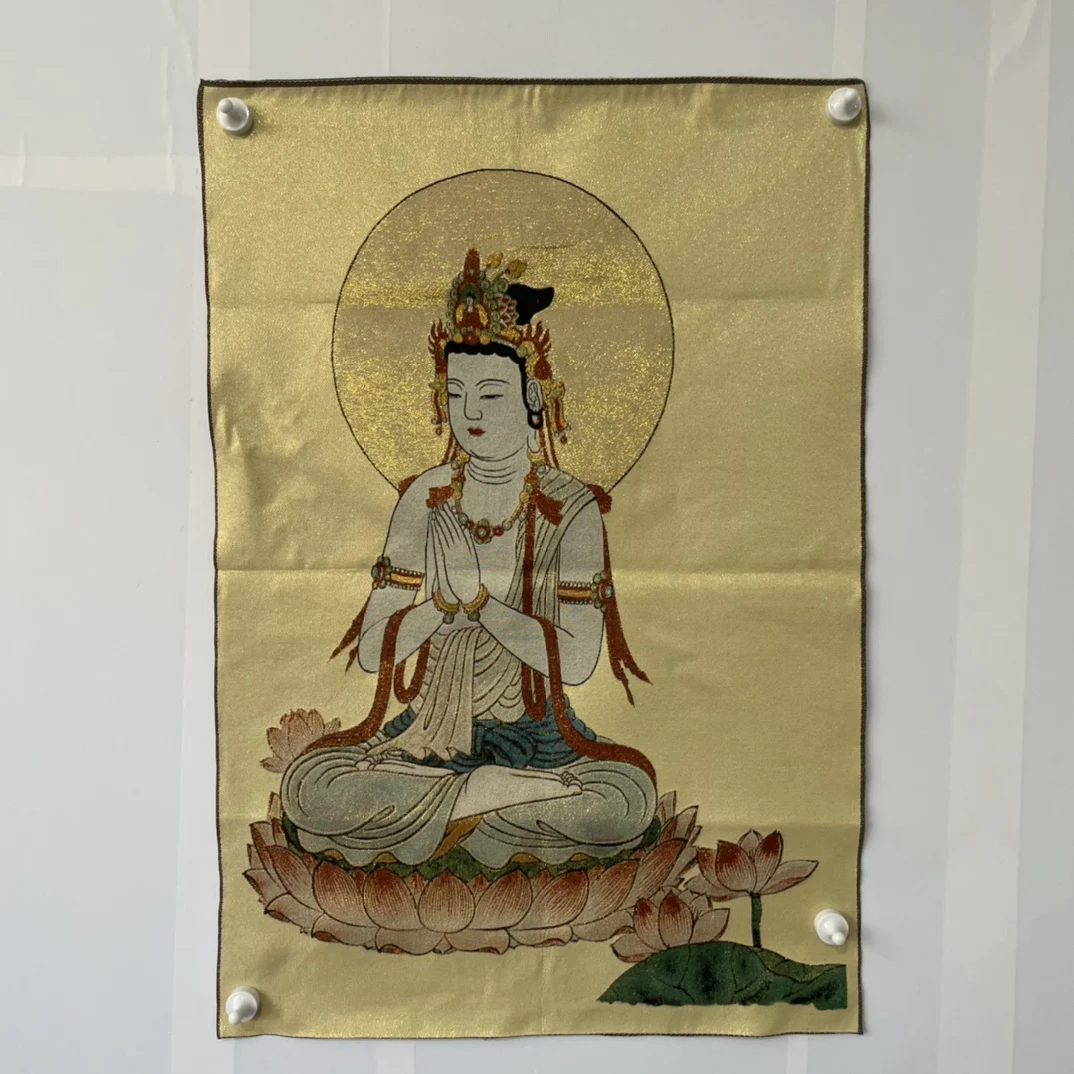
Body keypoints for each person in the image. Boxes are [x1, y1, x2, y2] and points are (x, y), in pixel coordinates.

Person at [281, 249, 657, 868]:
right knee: (309, 787)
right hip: (426, 737)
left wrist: (483, 604)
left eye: (490, 392)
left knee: (624, 800)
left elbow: (579, 661)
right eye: (456, 393)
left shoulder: (571, 508)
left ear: (532, 397)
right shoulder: (423, 498)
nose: (472, 413)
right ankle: (484, 797)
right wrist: (438, 604)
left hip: (541, 743)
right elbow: (374, 650)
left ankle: (461, 807)